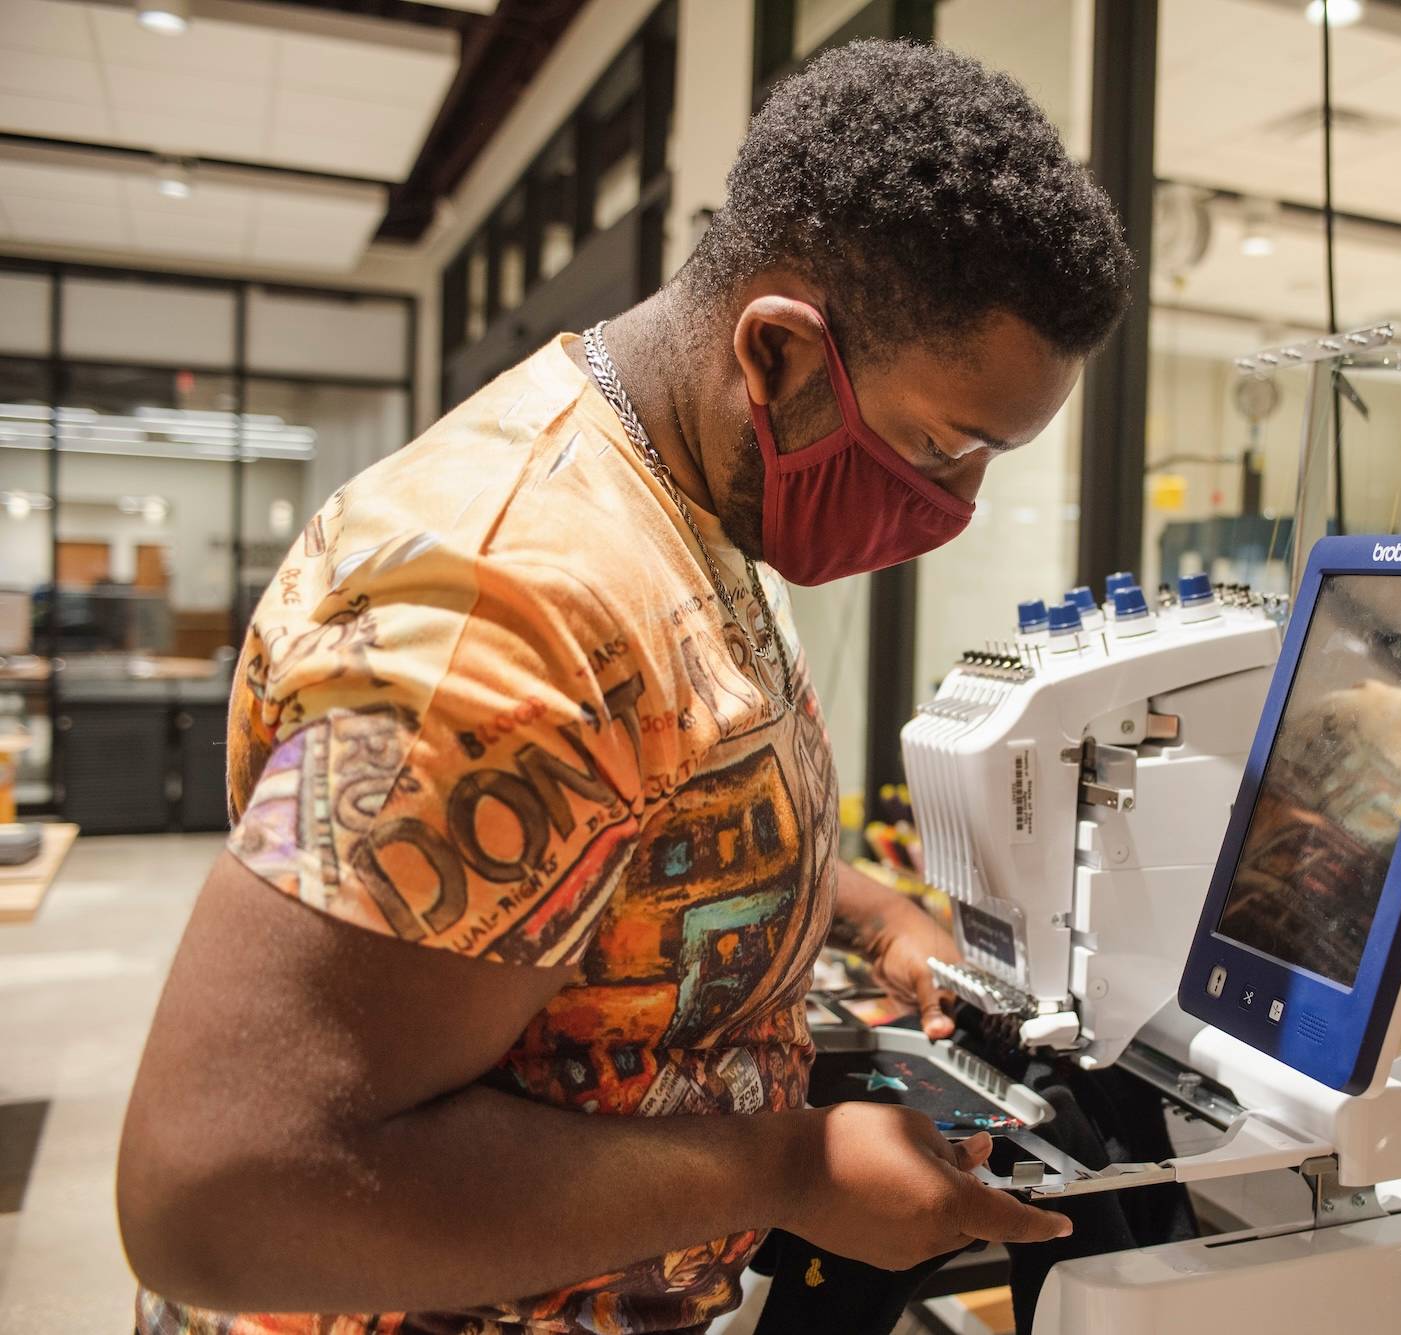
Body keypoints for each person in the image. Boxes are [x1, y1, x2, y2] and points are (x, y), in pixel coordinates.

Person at [116, 38, 1132, 1335]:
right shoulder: (507, 608)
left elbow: (639, 833)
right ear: (781, 355)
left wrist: (868, 912)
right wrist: (788, 1168)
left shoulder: (680, 500)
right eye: (944, 445)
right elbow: (226, 1196)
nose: (958, 504)